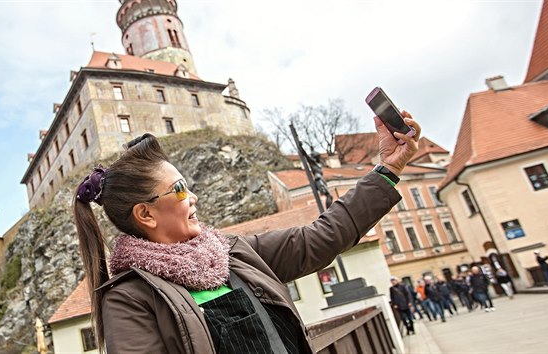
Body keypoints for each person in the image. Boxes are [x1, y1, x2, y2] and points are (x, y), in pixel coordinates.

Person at [72, 114, 421, 353]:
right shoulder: (128, 299)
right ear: (145, 214)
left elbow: (320, 238)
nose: (193, 197)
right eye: (179, 189)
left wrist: (389, 168)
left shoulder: (233, 252)